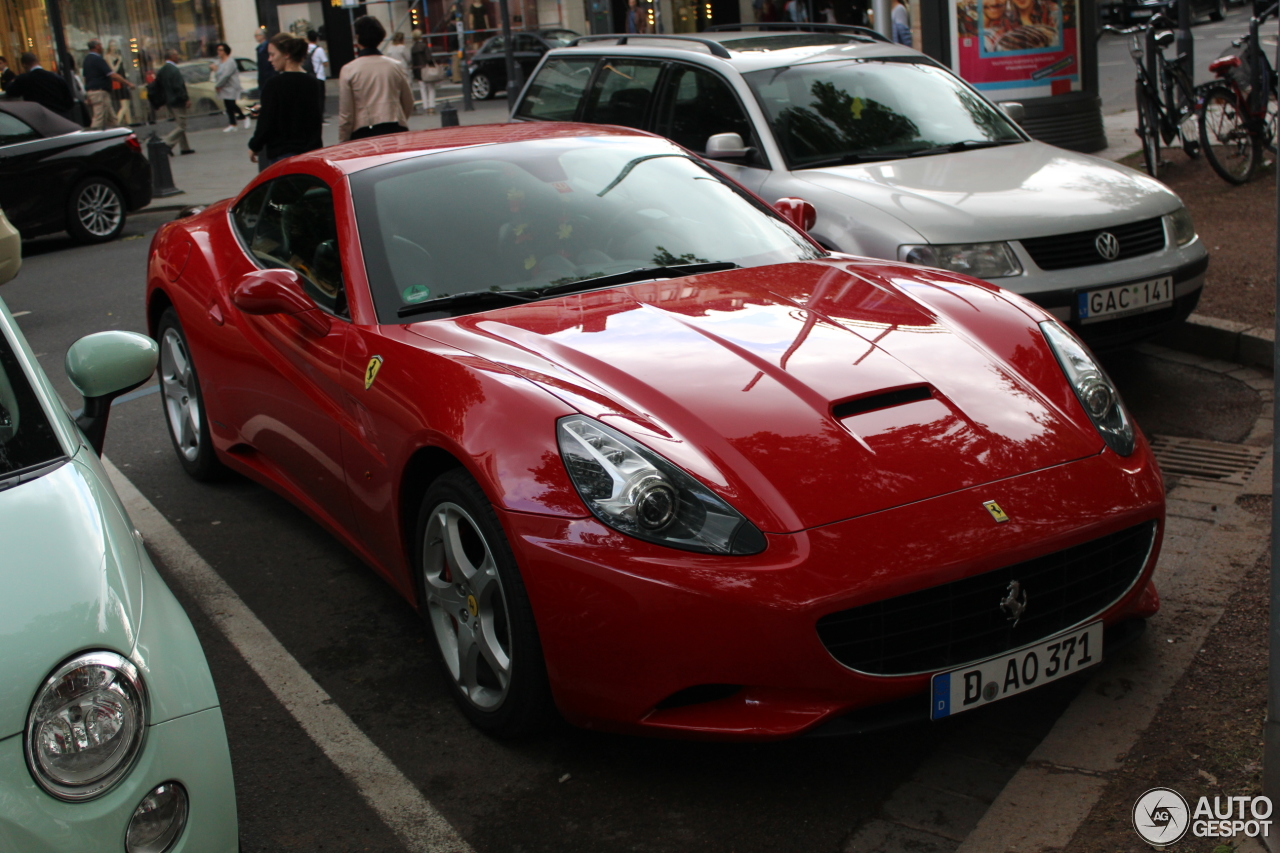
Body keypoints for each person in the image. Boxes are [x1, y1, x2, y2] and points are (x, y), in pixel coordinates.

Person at [248, 33, 323, 171]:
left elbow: (266, 121)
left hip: (283, 154)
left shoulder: (273, 84)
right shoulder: (313, 82)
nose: (270, 59)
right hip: (311, 153)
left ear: (286, 54)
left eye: (272, 55)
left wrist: (254, 146)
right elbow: (314, 118)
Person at [337, 15, 414, 142]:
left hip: (363, 131)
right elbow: (408, 101)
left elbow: (346, 113)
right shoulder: (395, 66)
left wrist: (343, 139)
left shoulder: (349, 69)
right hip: (395, 127)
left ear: (357, 37)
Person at [5, 53, 76, 118]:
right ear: (37, 61)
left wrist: (11, 82)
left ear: (24, 65)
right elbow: (69, 101)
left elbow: (11, 91)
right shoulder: (56, 77)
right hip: (61, 117)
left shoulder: (24, 79)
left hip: (39, 118)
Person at [83, 39, 134, 129]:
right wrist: (127, 83)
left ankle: (117, 133)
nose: (102, 47)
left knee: (112, 118)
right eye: (100, 45)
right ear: (97, 47)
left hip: (95, 92)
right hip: (100, 92)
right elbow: (112, 74)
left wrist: (87, 92)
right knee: (98, 118)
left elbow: (85, 78)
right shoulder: (97, 59)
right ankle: (93, 136)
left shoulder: (87, 59)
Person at [155, 49, 194, 154]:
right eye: (176, 55)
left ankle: (185, 147)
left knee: (179, 124)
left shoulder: (162, 70)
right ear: (171, 56)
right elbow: (179, 86)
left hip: (168, 100)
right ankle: (167, 143)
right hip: (177, 100)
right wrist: (186, 98)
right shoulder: (174, 70)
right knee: (182, 126)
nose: (178, 57)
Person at [213, 43, 248, 131]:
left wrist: (218, 85)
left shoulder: (230, 62)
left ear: (226, 51)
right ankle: (233, 123)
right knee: (227, 105)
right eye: (218, 50)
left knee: (232, 104)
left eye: (221, 50)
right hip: (224, 87)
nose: (219, 52)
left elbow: (226, 75)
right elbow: (218, 74)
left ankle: (244, 117)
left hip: (231, 86)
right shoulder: (219, 62)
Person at [410, 30, 441, 114]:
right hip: (426, 68)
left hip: (418, 70)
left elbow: (412, 61)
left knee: (422, 89)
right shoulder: (424, 46)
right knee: (431, 88)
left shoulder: (413, 48)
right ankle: (431, 106)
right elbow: (428, 58)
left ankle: (426, 106)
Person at [307, 30, 328, 119]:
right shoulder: (319, 50)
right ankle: (320, 116)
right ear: (316, 39)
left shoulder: (306, 48)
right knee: (320, 97)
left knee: (312, 97)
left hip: (309, 75)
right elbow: (325, 63)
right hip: (319, 75)